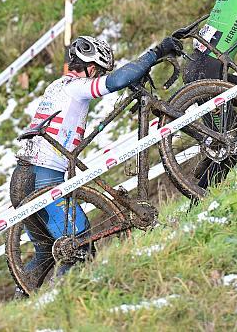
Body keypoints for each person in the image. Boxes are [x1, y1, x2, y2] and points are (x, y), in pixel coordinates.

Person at [10, 34, 182, 292]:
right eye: (98, 70)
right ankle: (61, 299)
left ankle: (23, 305)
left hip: (21, 178)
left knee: (46, 251)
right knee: (79, 243)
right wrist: (155, 53)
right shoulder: (75, 88)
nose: (98, 75)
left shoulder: (57, 86)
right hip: (43, 177)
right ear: (89, 66)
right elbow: (116, 81)